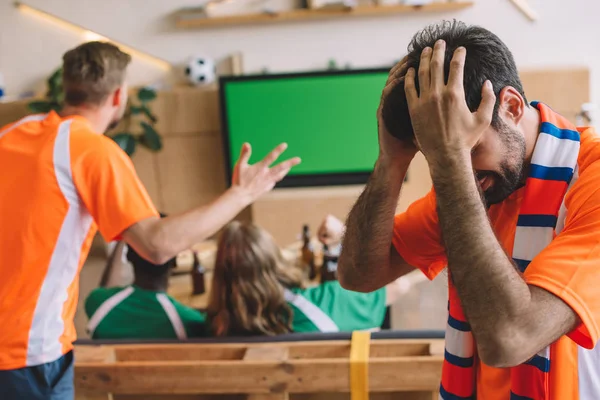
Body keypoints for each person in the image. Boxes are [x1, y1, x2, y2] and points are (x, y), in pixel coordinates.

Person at [0, 41, 300, 399]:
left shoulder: (11, 134)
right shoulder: (89, 150)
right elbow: (157, 245)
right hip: (26, 354)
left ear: (67, 87)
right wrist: (242, 194)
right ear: (118, 96)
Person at [337, 20, 600, 399]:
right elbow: (358, 275)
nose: (454, 168)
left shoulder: (585, 179)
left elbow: (510, 339)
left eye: (467, 147)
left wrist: (451, 162)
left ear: (510, 106)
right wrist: (391, 160)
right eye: (436, 154)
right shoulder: (480, 182)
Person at [207, 219, 412, 337]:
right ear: (276, 261)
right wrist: (345, 234)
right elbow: (399, 284)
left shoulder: (211, 329)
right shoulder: (328, 301)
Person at [85, 216, 207, 340]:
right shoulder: (190, 321)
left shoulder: (96, 302)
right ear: (175, 261)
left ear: (127, 256)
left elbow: (106, 290)